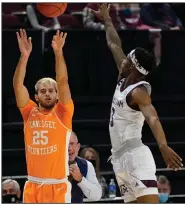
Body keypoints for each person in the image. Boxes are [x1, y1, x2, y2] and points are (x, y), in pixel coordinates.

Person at [92, 4, 183, 203]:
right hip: (119, 160)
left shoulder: (138, 92)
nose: (122, 60)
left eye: (127, 59)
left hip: (136, 157)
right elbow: (114, 44)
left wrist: (164, 146)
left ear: (132, 65)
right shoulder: (123, 76)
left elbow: (153, 118)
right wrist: (106, 19)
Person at [13, 29, 74, 203]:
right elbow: (18, 85)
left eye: (51, 91)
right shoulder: (28, 112)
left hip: (58, 186)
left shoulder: (63, 113)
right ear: (36, 96)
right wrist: (24, 56)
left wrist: (58, 52)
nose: (47, 94)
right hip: (32, 184)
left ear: (57, 95)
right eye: (43, 91)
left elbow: (62, 80)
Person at [68, 132, 102, 203]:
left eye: (72, 144)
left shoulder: (87, 165)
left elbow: (96, 196)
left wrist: (80, 179)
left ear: (78, 146)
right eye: (65, 144)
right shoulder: (50, 164)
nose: (69, 148)